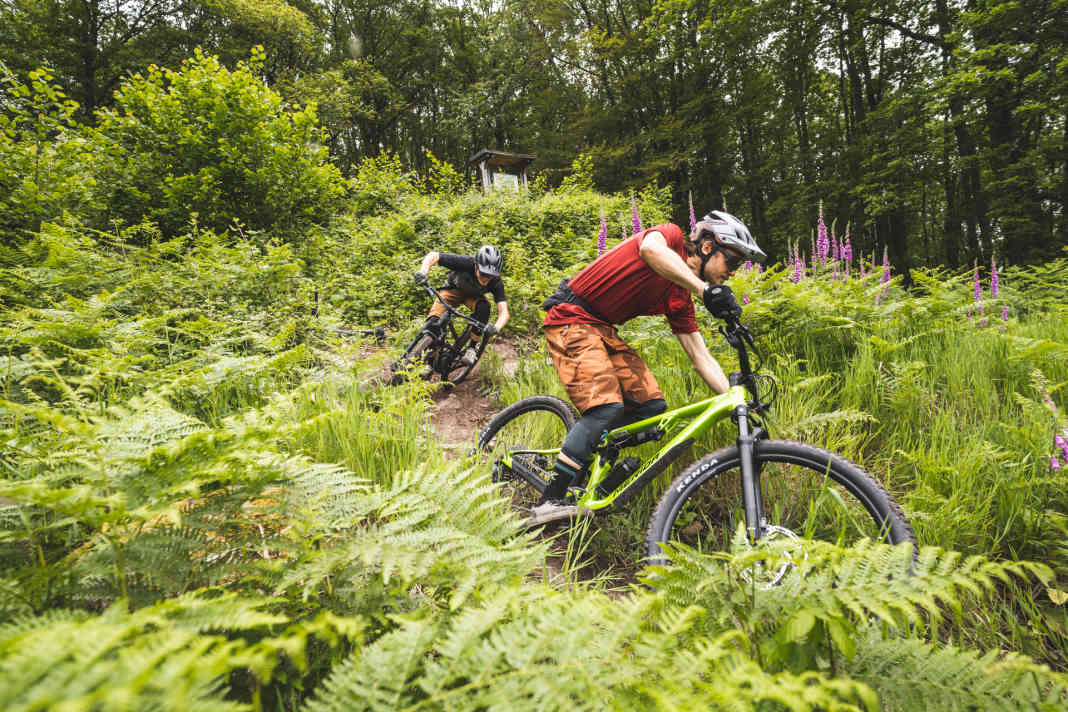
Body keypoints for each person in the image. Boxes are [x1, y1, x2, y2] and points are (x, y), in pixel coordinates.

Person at [531, 210, 766, 524]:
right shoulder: (669, 237)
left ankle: (583, 462)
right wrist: (704, 290)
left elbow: (700, 356)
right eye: (733, 262)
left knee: (650, 407)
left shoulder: (680, 298)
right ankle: (550, 499)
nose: (734, 272)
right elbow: (649, 251)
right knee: (605, 407)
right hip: (570, 317)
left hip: (602, 328)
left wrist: (739, 406)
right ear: (708, 247)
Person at [414, 244, 510, 366]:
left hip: (473, 297)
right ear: (476, 266)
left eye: (490, 276)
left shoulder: (496, 281)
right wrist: (423, 271)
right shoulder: (466, 262)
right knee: (433, 323)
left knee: (484, 308)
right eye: (483, 274)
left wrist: (496, 327)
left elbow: (504, 313)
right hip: (452, 290)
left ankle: (472, 348)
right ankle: (430, 355)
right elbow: (434, 255)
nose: (486, 279)